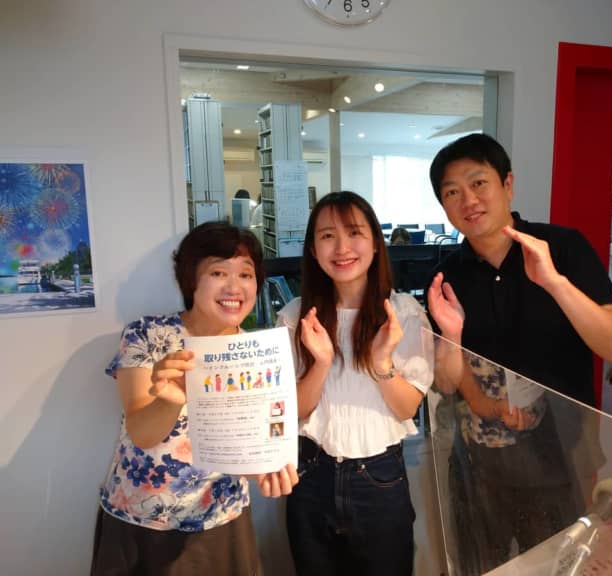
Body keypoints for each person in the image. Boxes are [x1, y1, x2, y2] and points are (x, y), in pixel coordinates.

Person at [426, 133, 612, 573]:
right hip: (478, 460)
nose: (468, 200)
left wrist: (555, 282)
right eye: (452, 192)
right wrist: (481, 400)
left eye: (479, 183)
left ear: (508, 184)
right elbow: (446, 376)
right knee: (483, 566)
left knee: (558, 565)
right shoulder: (447, 274)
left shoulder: (563, 248)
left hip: (561, 456)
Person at [91, 221, 298, 576]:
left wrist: (266, 469)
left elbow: (244, 449)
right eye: (218, 272)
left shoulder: (256, 353)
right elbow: (141, 432)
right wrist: (172, 399)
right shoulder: (149, 335)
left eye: (245, 274)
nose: (234, 287)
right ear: (191, 280)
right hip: (141, 523)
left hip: (221, 520)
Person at [277, 191, 434, 576]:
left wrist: (381, 363)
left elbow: (406, 408)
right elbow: (296, 411)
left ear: (376, 243)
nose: (342, 248)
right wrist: (321, 364)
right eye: (328, 236)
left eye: (354, 233)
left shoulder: (404, 314)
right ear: (313, 250)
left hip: (379, 480)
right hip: (311, 476)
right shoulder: (296, 317)